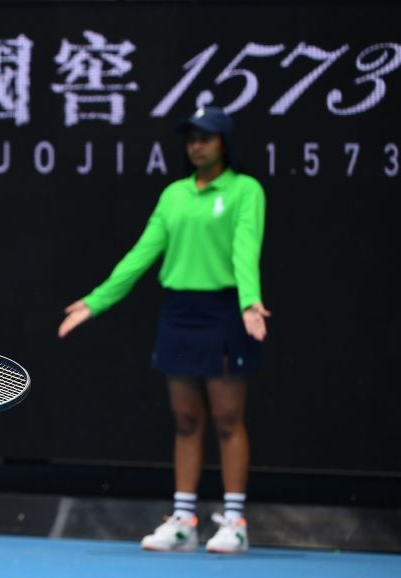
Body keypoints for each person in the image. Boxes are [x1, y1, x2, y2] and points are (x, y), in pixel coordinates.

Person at [57, 105, 270, 554]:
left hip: (226, 310)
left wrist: (250, 301)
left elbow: (245, 247)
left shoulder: (245, 190)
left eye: (206, 137)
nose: (197, 145)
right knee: (186, 420)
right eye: (191, 137)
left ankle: (235, 521)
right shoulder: (174, 194)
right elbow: (141, 253)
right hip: (180, 313)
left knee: (229, 420)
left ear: (223, 143)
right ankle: (184, 520)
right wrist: (97, 301)